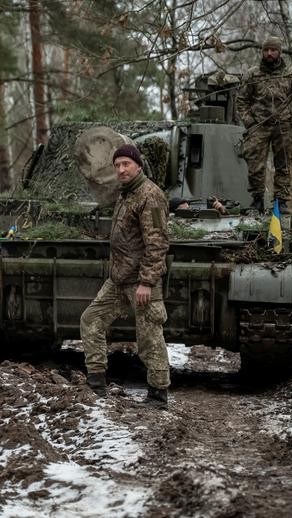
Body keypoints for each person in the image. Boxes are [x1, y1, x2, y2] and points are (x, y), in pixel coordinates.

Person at [80, 144, 171, 408]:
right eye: (117, 165)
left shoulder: (150, 195)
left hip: (140, 283)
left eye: (126, 164)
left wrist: (147, 282)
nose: (121, 169)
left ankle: (158, 394)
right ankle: (96, 384)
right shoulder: (126, 194)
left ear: (138, 166)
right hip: (118, 280)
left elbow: (157, 242)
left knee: (149, 338)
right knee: (91, 320)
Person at [236, 36, 292, 213]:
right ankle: (257, 200)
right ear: (262, 52)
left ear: (279, 52)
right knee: (255, 166)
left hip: (283, 126)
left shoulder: (290, 74)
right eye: (266, 50)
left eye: (273, 50)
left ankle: (281, 202)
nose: (269, 53)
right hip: (258, 126)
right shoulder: (253, 74)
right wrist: (250, 122)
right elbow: (241, 100)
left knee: (283, 165)